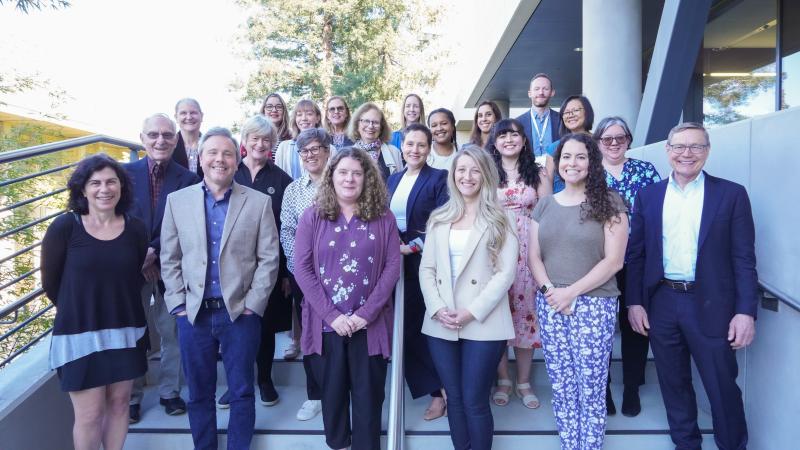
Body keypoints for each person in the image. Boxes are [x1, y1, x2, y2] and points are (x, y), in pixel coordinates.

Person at [626, 122, 757, 450]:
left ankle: (733, 445)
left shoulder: (731, 194)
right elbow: (637, 255)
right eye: (680, 147)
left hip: (713, 305)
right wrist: (635, 303)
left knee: (722, 386)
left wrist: (745, 312)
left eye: (696, 146)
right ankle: (686, 445)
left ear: (707, 151)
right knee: (673, 384)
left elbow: (744, 258)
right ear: (667, 151)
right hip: (663, 303)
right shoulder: (649, 196)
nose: (687, 153)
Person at [160, 127, 280, 450]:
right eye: (212, 152)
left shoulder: (257, 202)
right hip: (194, 314)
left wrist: (254, 305)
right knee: (199, 394)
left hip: (240, 314)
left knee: (241, 391)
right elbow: (169, 258)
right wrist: (178, 305)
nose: (220, 160)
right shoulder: (177, 202)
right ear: (200, 159)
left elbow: (269, 258)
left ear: (236, 158)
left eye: (227, 153)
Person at [294, 147, 401, 450]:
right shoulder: (312, 216)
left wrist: (364, 315)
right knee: (333, 400)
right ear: (331, 176)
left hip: (369, 325)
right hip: (326, 325)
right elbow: (301, 268)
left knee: (369, 402)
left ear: (368, 178)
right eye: (343, 172)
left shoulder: (383, 217)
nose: (350, 178)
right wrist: (333, 316)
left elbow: (393, 266)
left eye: (357, 172)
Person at [41, 154, 148, 450]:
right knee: (89, 415)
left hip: (126, 330)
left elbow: (133, 276)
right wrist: (83, 307)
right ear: (83, 189)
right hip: (79, 335)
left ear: (122, 187)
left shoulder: (136, 228)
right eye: (96, 183)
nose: (105, 189)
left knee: (120, 405)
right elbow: (51, 284)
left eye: (112, 181)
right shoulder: (64, 228)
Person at [528, 132, 628, 450]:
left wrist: (570, 292)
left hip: (593, 304)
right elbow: (533, 257)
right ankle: (570, 445)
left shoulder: (610, 202)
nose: (573, 163)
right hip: (551, 303)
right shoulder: (544, 205)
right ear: (557, 164)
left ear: (592, 162)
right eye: (567, 157)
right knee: (562, 384)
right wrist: (550, 292)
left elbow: (614, 261)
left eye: (581, 156)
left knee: (590, 385)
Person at [419, 145, 518, 450]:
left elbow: (505, 273)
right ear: (453, 175)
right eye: (461, 169)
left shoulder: (502, 218)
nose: (467, 176)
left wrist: (470, 312)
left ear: (486, 174)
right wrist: (437, 308)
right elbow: (427, 269)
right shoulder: (439, 217)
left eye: (475, 169)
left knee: (475, 400)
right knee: (455, 396)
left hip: (483, 320)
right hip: (442, 320)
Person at [211, 115, 294, 409]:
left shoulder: (282, 179)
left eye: (266, 139)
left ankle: (265, 380)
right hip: (233, 265)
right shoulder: (229, 173)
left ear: (273, 144)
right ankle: (237, 383)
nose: (260, 144)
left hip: (269, 266)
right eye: (254, 138)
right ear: (244, 142)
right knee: (235, 327)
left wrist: (285, 273)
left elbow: (287, 227)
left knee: (265, 324)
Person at [124, 114, 197, 423]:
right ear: (142, 138)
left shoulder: (189, 179)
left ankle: (169, 392)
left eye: (168, 135)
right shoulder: (124, 174)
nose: (160, 141)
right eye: (153, 135)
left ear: (176, 140)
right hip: (132, 268)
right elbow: (117, 218)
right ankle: (132, 397)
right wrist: (142, 253)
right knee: (133, 333)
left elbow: (186, 225)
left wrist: (155, 250)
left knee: (172, 332)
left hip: (172, 266)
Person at [594, 116, 661, 417]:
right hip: (599, 261)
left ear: (629, 140)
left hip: (637, 260)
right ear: (598, 143)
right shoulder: (590, 174)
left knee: (635, 323)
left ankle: (632, 386)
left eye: (620, 138)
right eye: (607, 139)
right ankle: (603, 386)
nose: (614, 143)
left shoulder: (645, 171)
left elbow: (658, 213)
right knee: (602, 327)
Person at [487, 118, 551, 409]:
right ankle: (503, 378)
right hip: (494, 251)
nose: (509, 140)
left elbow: (549, 216)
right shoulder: (486, 172)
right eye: (503, 135)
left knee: (526, 316)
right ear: (495, 142)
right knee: (497, 314)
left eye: (515, 134)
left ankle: (524, 380)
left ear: (524, 141)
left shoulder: (537, 174)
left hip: (530, 251)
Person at [387, 123, 449, 421]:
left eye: (421, 145)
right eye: (409, 144)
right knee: (402, 329)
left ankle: (438, 392)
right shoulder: (392, 179)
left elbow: (444, 219)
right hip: (392, 263)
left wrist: (412, 246)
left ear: (429, 147)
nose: (414, 150)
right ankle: (438, 387)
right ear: (402, 146)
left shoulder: (439, 178)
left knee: (414, 328)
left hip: (422, 262)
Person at [279, 128, 334, 422]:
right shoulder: (293, 190)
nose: (310, 155)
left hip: (341, 275)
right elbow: (287, 230)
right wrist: (298, 267)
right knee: (311, 337)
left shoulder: (343, 182)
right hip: (305, 276)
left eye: (315, 149)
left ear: (327, 150)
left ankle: (339, 392)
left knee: (339, 336)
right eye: (305, 151)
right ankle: (315, 395)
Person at [544, 95, 595, 193]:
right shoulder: (554, 148)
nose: (570, 115)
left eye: (575, 110)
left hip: (596, 201)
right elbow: (547, 184)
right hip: (562, 204)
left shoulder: (601, 143)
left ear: (587, 112)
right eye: (566, 112)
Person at [349, 102, 404, 180]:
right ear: (357, 124)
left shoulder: (394, 152)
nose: (370, 126)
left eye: (375, 122)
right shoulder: (348, 154)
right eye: (366, 121)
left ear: (381, 127)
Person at [515, 73, 560, 164]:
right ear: (529, 93)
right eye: (537, 89)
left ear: (552, 92)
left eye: (545, 89)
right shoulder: (517, 122)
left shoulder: (561, 120)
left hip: (556, 174)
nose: (541, 92)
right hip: (527, 173)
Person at [275, 99, 325, 179]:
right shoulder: (283, 147)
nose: (304, 118)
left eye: (309, 114)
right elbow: (277, 177)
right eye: (299, 115)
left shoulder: (328, 147)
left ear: (318, 118)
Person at [172, 98, 204, 176]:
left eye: (193, 112)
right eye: (183, 113)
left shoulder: (210, 145)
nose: (189, 117)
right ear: (176, 117)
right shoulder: (169, 146)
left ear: (202, 116)